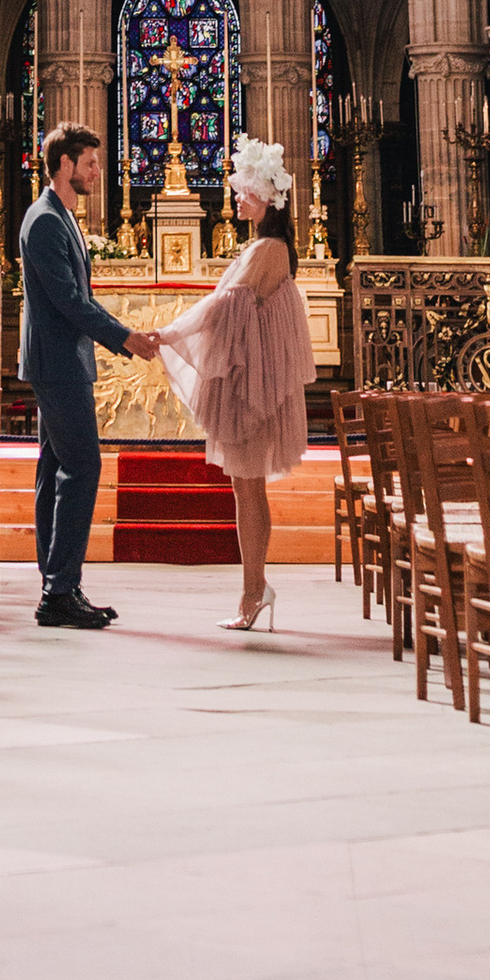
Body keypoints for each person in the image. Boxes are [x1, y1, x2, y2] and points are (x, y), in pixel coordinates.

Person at [156, 131, 314, 631]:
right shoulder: (262, 246)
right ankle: (254, 589)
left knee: (248, 491)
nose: (237, 198)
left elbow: (221, 307)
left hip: (252, 389)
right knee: (245, 490)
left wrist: (168, 333)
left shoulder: (269, 248)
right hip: (249, 384)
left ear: (266, 198)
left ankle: (253, 592)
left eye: (245, 191)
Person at [18, 121, 160, 629]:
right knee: (82, 466)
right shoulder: (45, 220)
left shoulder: (60, 216)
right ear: (65, 165)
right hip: (57, 363)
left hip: (61, 360)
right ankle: (58, 590)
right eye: (91, 163)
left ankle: (57, 584)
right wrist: (125, 338)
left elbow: (81, 298)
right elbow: (69, 302)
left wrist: (123, 334)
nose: (98, 171)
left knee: (55, 468)